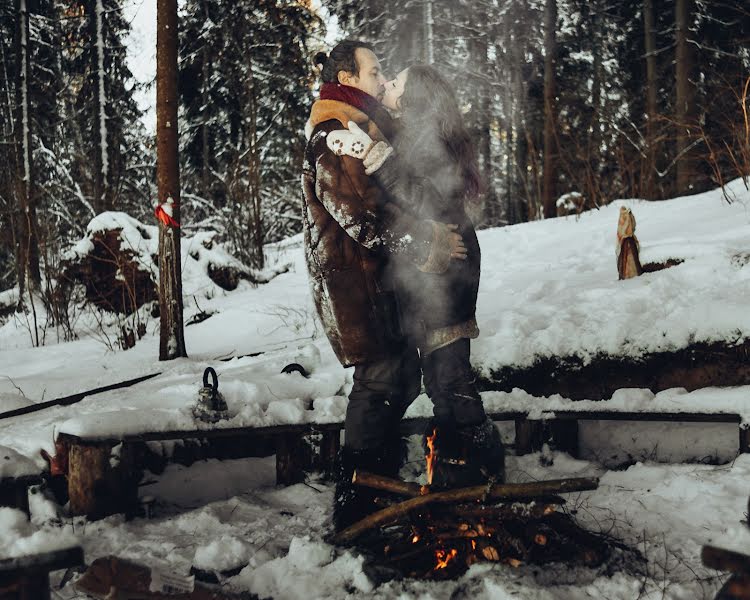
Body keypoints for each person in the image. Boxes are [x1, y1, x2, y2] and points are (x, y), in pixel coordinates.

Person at [301, 42, 467, 531]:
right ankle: (355, 504)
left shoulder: (361, 128)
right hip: (358, 285)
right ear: (349, 78)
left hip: (377, 281)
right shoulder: (336, 132)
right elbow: (356, 214)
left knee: (395, 379)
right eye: (374, 71)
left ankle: (375, 491)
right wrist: (423, 244)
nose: (381, 77)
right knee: (379, 383)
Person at [326, 64, 505, 491]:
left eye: (397, 83)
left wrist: (384, 162)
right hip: (430, 261)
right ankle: (462, 472)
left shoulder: (429, 139)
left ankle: (477, 470)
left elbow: (431, 201)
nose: (386, 85)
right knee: (434, 375)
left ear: (417, 98)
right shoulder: (407, 133)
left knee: (448, 376)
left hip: (449, 261)